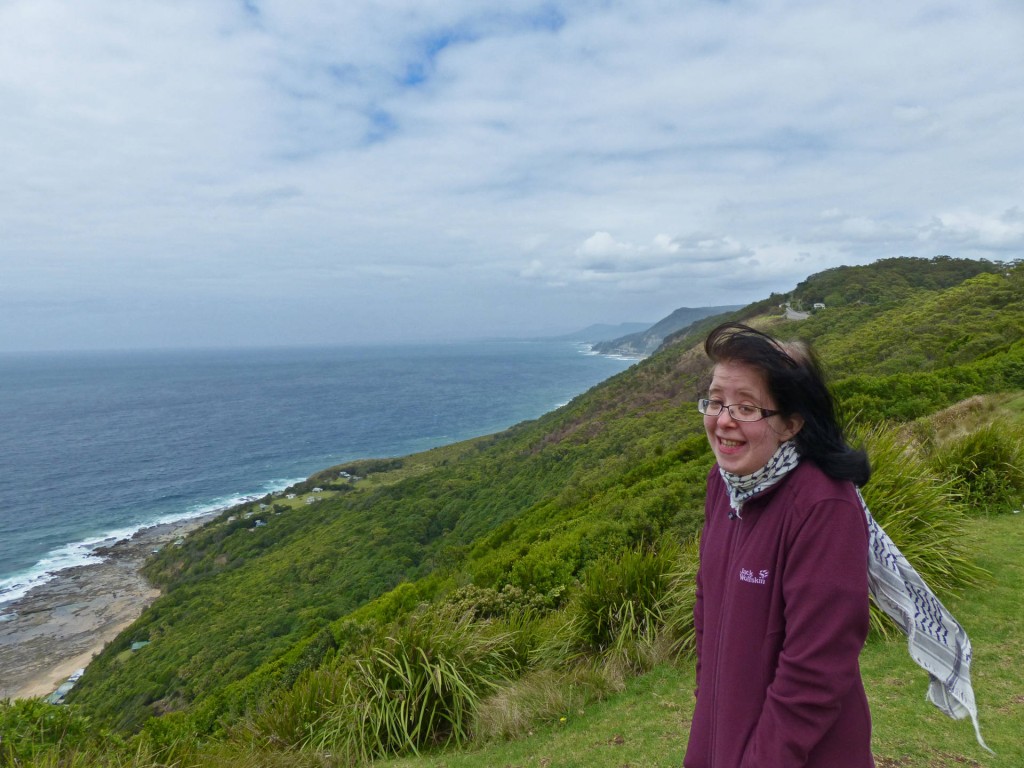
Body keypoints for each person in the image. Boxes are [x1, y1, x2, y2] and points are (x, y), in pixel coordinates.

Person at [683, 322, 989, 768]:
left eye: (746, 407)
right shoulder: (725, 484)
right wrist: (707, 699)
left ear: (791, 424)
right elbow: (706, 601)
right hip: (722, 734)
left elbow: (816, 669)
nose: (723, 420)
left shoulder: (823, 505)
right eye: (715, 401)